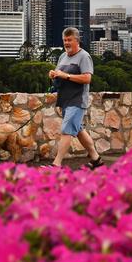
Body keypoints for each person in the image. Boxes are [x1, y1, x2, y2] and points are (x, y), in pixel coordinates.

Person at [48, 27, 104, 169]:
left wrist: (66, 75)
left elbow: (87, 78)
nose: (66, 43)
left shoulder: (84, 56)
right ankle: (96, 160)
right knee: (78, 130)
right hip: (65, 100)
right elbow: (59, 77)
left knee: (67, 131)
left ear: (77, 41)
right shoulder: (62, 56)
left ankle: (56, 165)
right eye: (64, 40)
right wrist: (54, 76)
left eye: (69, 40)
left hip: (77, 101)